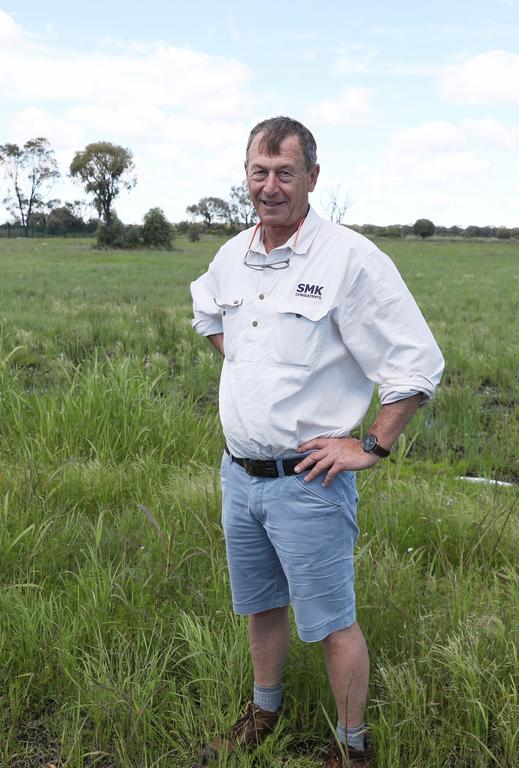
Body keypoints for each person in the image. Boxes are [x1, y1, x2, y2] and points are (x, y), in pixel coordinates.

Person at [189, 116, 444, 767]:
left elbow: (416, 362)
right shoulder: (233, 255)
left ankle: (353, 748)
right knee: (261, 606)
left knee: (332, 622)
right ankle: (264, 712)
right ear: (246, 175)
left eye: (284, 172)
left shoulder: (350, 259)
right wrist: (252, 365)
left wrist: (373, 445)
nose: (270, 186)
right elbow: (210, 316)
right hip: (239, 475)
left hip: (309, 480)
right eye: (259, 171)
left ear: (312, 178)